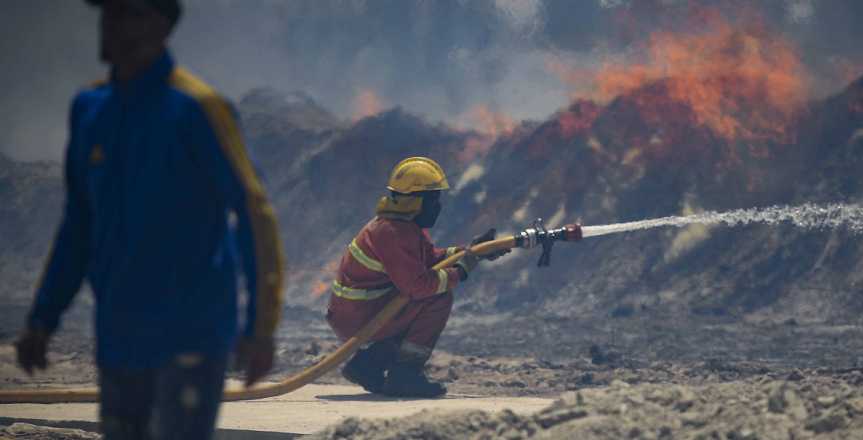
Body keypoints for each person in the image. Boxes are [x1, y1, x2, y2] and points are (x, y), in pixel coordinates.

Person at [13, 0, 286, 438]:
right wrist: (43, 318)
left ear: (162, 25)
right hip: (119, 337)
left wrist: (260, 328)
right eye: (110, 14)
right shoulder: (90, 109)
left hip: (191, 335)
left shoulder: (198, 109)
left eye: (130, 14)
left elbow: (255, 216)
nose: (114, 26)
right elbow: (78, 226)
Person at [327, 157, 507, 398]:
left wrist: (471, 250)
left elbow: (431, 258)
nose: (437, 206)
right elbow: (419, 285)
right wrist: (462, 270)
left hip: (363, 310)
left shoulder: (402, 227)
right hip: (360, 316)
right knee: (435, 298)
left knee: (415, 302)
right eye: (432, 200)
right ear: (414, 201)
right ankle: (405, 375)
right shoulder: (391, 233)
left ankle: (368, 365)